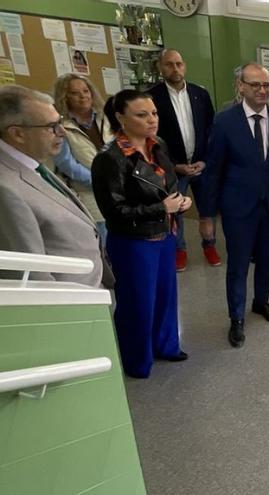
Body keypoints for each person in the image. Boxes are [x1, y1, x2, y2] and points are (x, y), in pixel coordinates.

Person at [92, 89, 190, 378]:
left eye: (154, 113)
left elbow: (169, 185)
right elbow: (115, 211)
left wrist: (180, 203)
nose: (151, 120)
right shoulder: (110, 158)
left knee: (165, 296)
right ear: (120, 117)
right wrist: (161, 207)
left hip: (165, 235)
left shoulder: (157, 144)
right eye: (142, 114)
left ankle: (166, 345)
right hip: (134, 242)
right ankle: (137, 359)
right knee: (138, 303)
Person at [201, 63, 269, 348]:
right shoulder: (225, 122)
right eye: (255, 84)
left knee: (267, 259)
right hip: (238, 207)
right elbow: (213, 171)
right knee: (239, 263)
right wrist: (207, 215)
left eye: (267, 85)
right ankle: (236, 318)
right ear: (240, 86)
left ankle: (261, 302)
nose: (262, 90)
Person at [0, 85, 104, 287]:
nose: (62, 132)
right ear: (18, 134)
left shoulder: (34, 164)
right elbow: (31, 275)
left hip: (89, 289)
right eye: (52, 126)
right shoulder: (6, 188)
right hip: (70, 305)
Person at [148, 49, 220, 271]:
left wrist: (206, 160)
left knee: (207, 210)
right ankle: (180, 250)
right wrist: (173, 165)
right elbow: (152, 137)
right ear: (161, 68)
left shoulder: (200, 94)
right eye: (169, 64)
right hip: (173, 167)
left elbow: (211, 129)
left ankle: (209, 245)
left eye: (179, 63)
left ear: (184, 66)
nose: (175, 69)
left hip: (200, 164)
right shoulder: (152, 97)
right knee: (177, 211)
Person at [52, 73, 115, 244]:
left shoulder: (105, 118)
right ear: (65, 97)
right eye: (75, 93)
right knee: (101, 241)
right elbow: (66, 164)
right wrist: (98, 180)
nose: (83, 96)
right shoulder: (61, 126)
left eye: (86, 91)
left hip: (116, 188)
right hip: (87, 191)